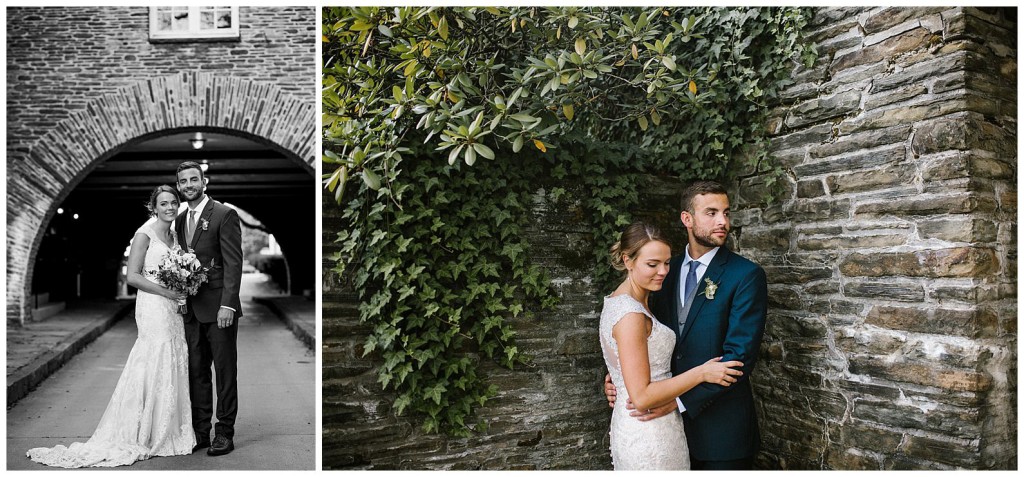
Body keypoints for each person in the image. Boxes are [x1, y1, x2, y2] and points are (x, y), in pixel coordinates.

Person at [27, 186, 196, 468]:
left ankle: (167, 428)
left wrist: (181, 287)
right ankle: (141, 431)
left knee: (173, 355)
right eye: (163, 203)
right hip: (153, 306)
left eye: (173, 202)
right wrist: (167, 292)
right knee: (155, 356)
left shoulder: (176, 234)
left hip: (173, 306)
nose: (169, 207)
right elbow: (132, 276)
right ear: (153, 207)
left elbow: (177, 271)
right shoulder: (144, 234)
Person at [604, 181, 768, 470]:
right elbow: (642, 332)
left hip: (720, 432)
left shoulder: (746, 275)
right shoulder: (664, 269)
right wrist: (619, 375)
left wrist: (680, 403)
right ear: (687, 219)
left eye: (726, 213)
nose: (723, 222)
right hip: (660, 430)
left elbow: (738, 359)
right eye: (712, 212)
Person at [174, 161, 243, 456]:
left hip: (219, 310)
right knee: (197, 372)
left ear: (205, 181)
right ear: (178, 186)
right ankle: (201, 431)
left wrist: (228, 304)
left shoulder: (224, 215)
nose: (189, 185)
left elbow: (233, 263)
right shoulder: (178, 220)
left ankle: (224, 432)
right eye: (183, 181)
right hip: (190, 310)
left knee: (225, 372)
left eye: (193, 179)